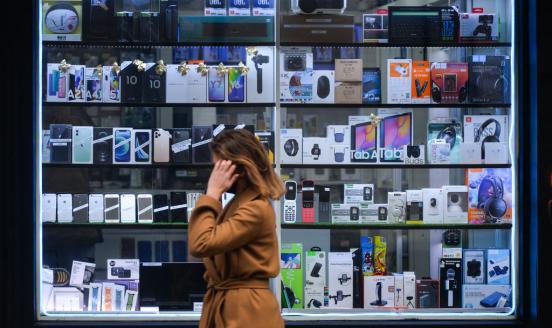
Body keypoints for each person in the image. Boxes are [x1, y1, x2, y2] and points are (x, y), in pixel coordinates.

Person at [188, 129, 285, 328]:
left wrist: (212, 193)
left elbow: (201, 243)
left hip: (247, 312)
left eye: (218, 168)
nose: (213, 174)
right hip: (237, 306)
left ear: (237, 169)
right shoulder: (240, 204)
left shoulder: (255, 209)